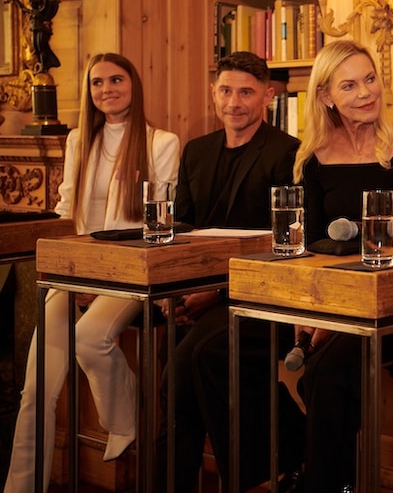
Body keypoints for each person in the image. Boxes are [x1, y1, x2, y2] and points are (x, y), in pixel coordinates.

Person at [4, 53, 180, 493]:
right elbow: (67, 211)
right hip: (75, 268)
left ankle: (124, 420)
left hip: (132, 271)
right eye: (97, 83)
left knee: (88, 338)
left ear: (133, 85)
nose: (107, 90)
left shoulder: (162, 141)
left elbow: (165, 220)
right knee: (35, 388)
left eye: (116, 80)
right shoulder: (79, 138)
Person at [154, 51, 302, 493]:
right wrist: (175, 293)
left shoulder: (287, 153)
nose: (234, 102)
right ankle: (289, 456)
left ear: (267, 97)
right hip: (195, 292)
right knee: (175, 388)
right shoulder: (196, 151)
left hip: (258, 295)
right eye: (225, 90)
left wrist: (215, 294)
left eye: (245, 92)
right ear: (213, 93)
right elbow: (181, 230)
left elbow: (286, 242)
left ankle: (270, 465)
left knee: (184, 370)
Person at [287, 39, 393, 493]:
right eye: (349, 85)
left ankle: (323, 483)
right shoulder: (313, 156)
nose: (366, 92)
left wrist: (343, 315)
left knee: (326, 375)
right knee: (312, 377)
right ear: (327, 96)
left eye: (370, 79)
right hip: (328, 297)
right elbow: (308, 244)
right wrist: (314, 312)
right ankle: (332, 479)